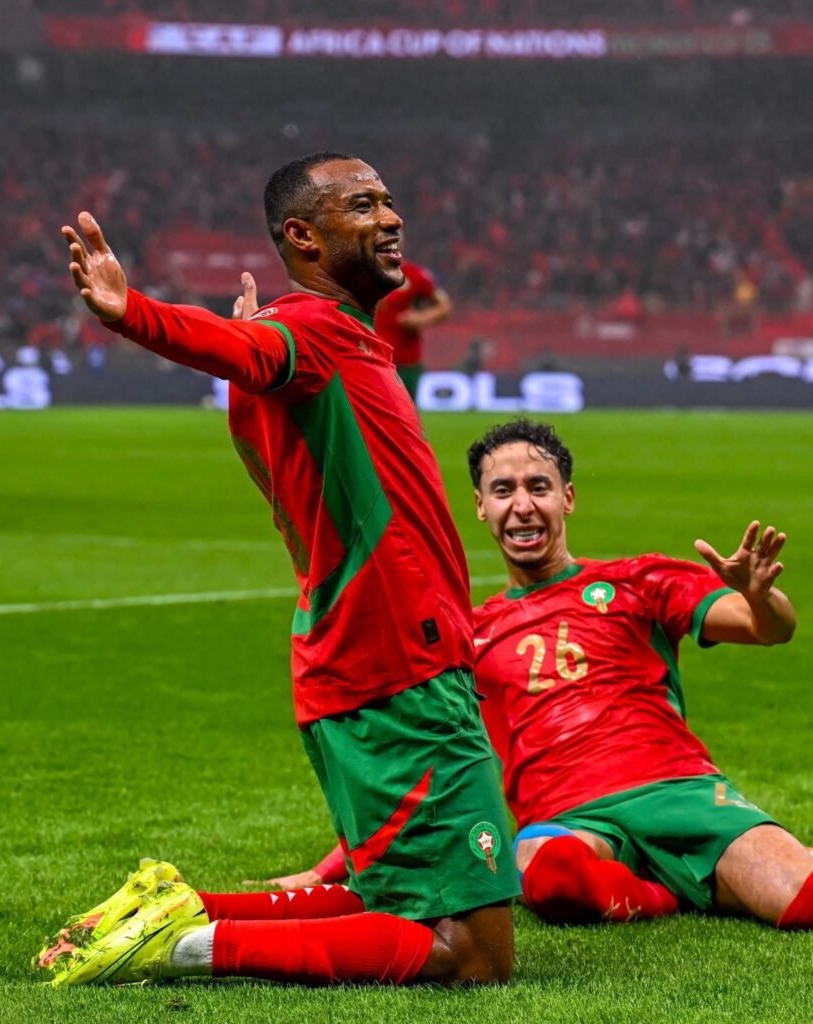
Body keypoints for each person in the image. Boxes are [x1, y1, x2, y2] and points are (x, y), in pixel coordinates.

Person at [40, 152, 519, 988]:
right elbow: (242, 346)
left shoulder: (322, 340)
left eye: (388, 201)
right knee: (472, 952)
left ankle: (184, 911)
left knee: (390, 897)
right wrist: (132, 313)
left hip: (365, 653)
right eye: (362, 205)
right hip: (400, 663)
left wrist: (247, 356)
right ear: (302, 235)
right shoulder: (314, 331)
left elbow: (258, 397)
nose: (390, 218)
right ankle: (182, 948)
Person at [265, 418, 812, 931]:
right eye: (503, 491)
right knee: (548, 874)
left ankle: (666, 879)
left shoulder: (637, 580)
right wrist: (330, 868)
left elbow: (767, 629)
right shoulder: (467, 635)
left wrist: (760, 597)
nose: (522, 506)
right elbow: (423, 765)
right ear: (481, 507)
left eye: (538, 487)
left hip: (680, 790)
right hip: (569, 821)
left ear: (566, 497)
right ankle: (664, 890)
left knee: (801, 899)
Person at [373, 257, 451, 400]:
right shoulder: (361, 272)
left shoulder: (415, 274)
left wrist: (420, 318)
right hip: (370, 357)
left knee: (404, 411)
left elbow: (444, 307)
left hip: (405, 361)